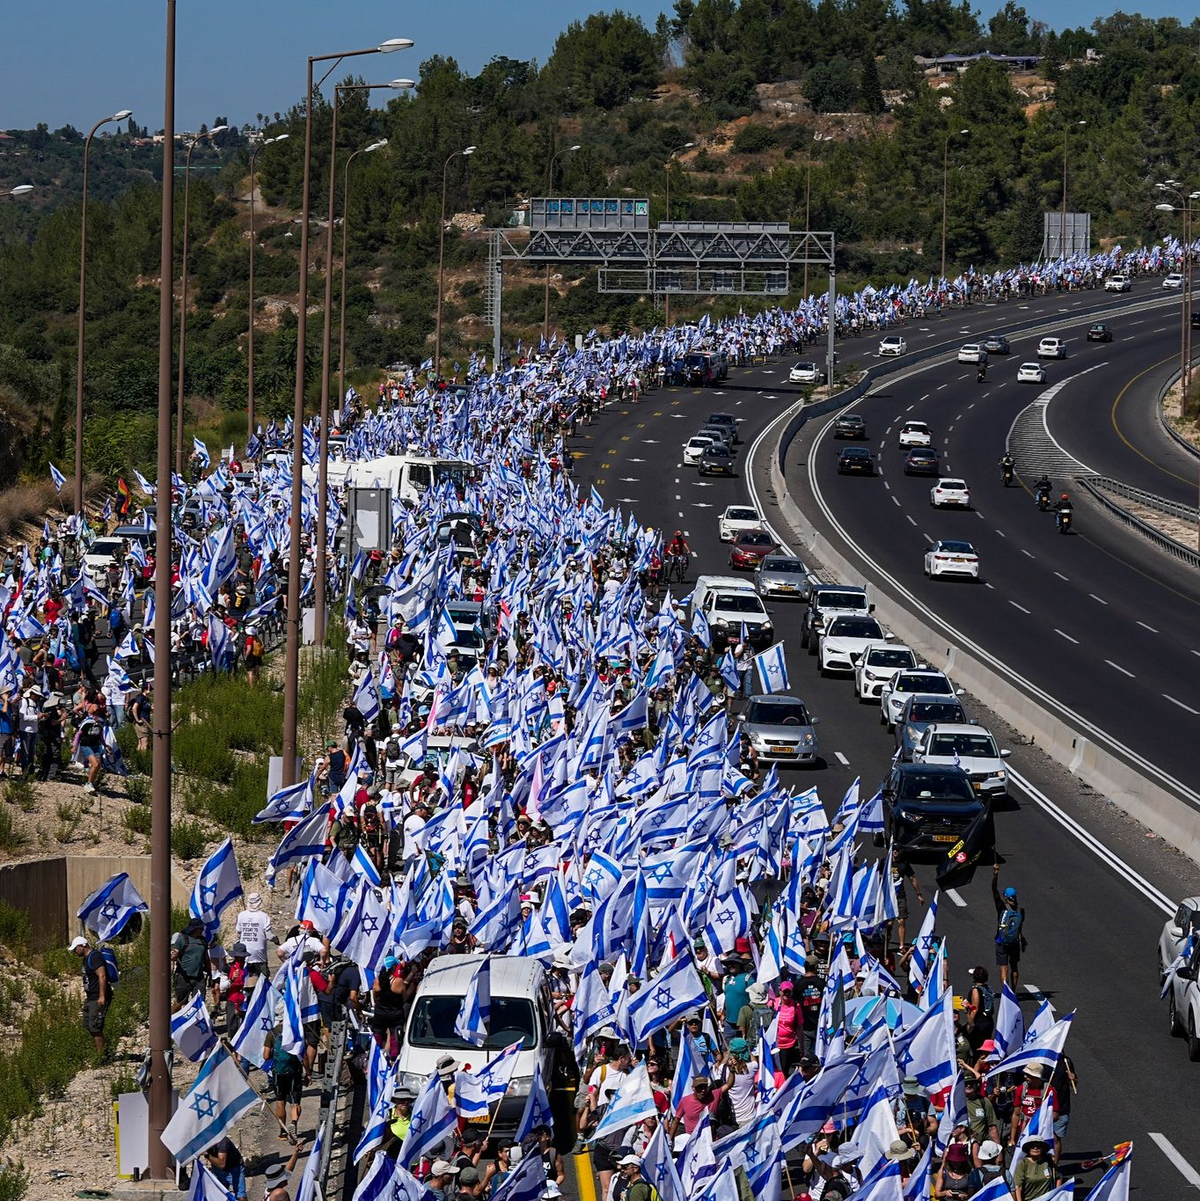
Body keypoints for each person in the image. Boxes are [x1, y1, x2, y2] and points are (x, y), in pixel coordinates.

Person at [71, 935, 111, 1056]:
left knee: (95, 1027)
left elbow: (102, 976)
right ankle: (103, 1051)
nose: (74, 952)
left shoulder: (95, 957)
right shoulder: (86, 958)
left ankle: (101, 1056)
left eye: (75, 949)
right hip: (91, 997)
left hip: (98, 997)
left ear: (82, 946)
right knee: (88, 1024)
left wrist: (102, 996)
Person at [992, 865, 1025, 989]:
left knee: (1003, 967)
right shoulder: (1020, 910)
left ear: (1005, 897)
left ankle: (1006, 992)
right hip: (1015, 942)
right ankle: (1014, 992)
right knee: (1014, 967)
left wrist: (995, 874)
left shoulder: (1001, 907)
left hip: (1001, 941)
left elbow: (994, 890)